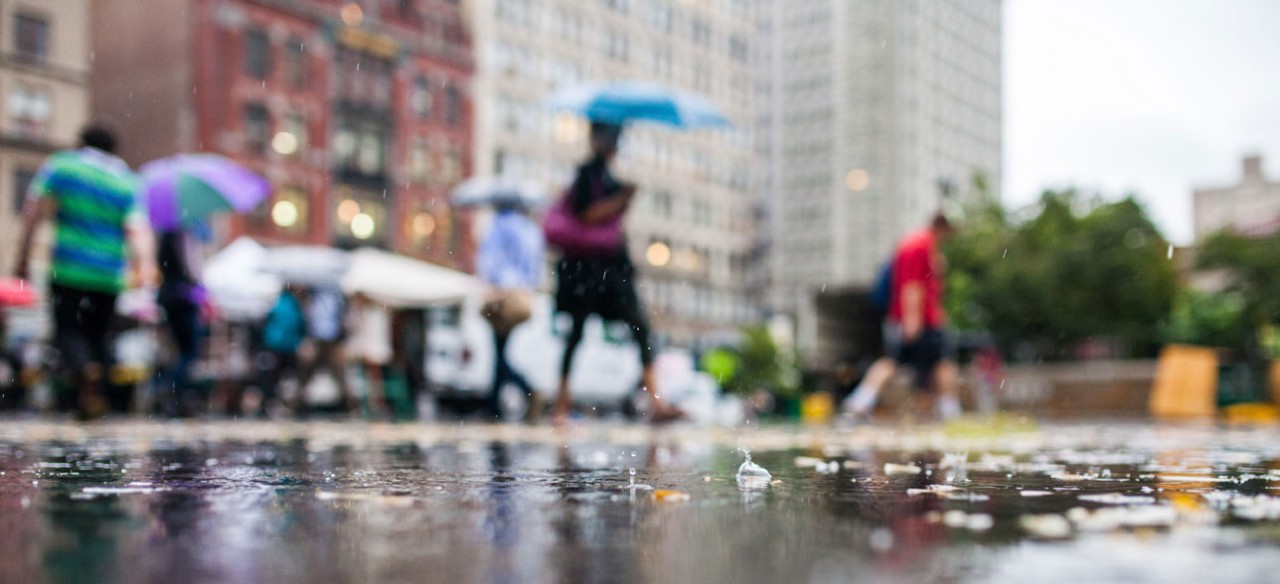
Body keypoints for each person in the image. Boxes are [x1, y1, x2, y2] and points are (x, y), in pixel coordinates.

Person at [13, 124, 157, 420]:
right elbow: (138, 229)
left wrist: (23, 256)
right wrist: (145, 265)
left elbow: (34, 211)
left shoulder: (62, 167)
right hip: (108, 274)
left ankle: (82, 371)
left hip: (68, 267)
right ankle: (93, 393)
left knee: (67, 329)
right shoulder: (126, 180)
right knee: (98, 333)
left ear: (80, 143)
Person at [553, 122, 682, 424]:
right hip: (588, 271)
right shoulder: (586, 174)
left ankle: (656, 401)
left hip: (610, 270)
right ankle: (561, 403)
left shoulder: (608, 177)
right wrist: (622, 198)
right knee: (577, 334)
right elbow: (587, 214)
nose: (611, 144)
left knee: (639, 327)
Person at [843, 212, 961, 420]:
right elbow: (912, 284)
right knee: (942, 362)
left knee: (894, 361)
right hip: (921, 320)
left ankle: (860, 400)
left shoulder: (915, 242)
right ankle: (950, 410)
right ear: (944, 227)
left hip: (906, 318)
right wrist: (912, 320)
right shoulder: (921, 245)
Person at [476, 199, 544, 421]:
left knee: (498, 352)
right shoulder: (531, 230)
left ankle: (524, 390)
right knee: (500, 351)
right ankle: (495, 403)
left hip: (500, 294)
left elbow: (490, 261)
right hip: (520, 295)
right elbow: (533, 266)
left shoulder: (499, 224)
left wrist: (492, 284)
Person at [154, 228, 207, 417]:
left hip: (169, 297)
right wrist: (201, 285)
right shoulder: (183, 235)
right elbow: (192, 269)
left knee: (179, 350)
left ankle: (170, 391)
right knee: (189, 350)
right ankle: (172, 390)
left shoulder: (165, 237)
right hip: (183, 298)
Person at [300, 286, 356, 413]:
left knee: (340, 375)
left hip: (333, 340)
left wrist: (343, 341)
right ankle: (295, 407)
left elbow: (343, 319)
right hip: (316, 339)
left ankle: (352, 408)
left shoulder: (338, 293)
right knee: (306, 374)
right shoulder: (312, 292)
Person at [260, 284, 307, 416]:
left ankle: (271, 404)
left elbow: (266, 321)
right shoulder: (294, 306)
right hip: (287, 346)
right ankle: (287, 404)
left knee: (272, 377)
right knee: (286, 377)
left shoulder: (277, 303)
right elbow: (301, 326)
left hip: (274, 345)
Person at [347, 293, 392, 418]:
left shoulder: (375, 313)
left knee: (373, 374)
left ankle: (375, 405)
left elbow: (375, 339)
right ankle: (357, 404)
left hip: (374, 351)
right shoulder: (365, 313)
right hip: (367, 350)